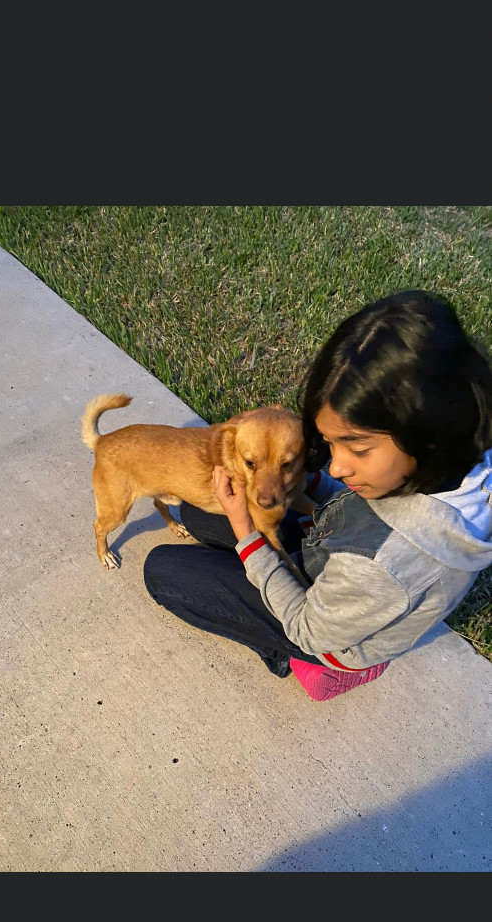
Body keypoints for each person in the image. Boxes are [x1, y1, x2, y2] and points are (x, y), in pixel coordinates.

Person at [143, 290, 492, 701]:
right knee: (195, 513)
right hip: (333, 555)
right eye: (329, 444)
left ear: (428, 435)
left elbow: (307, 627)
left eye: (357, 448)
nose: (336, 467)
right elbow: (356, 511)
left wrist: (245, 533)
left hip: (325, 634)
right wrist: (309, 488)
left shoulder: (384, 566)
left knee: (163, 570)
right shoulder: (446, 464)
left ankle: (309, 665)